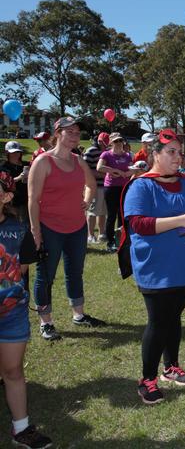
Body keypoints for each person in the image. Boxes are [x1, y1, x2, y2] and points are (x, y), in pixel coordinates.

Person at [122, 128, 185, 404]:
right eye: (171, 152)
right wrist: (179, 220)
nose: (178, 157)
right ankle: (146, 379)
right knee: (159, 321)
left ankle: (171, 366)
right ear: (155, 155)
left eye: (179, 151)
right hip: (156, 268)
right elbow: (138, 224)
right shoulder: (141, 185)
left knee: (172, 318)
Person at [28, 117, 102, 341]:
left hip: (77, 228)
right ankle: (46, 321)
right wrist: (35, 230)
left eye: (77, 133)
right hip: (49, 228)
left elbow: (91, 185)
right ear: (57, 133)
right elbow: (32, 200)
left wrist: (86, 201)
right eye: (70, 132)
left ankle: (78, 315)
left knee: (75, 272)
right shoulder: (42, 162)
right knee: (45, 276)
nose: (75, 136)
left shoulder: (78, 161)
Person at [0, 172, 53, 449]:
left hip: (11, 313)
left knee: (12, 370)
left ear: (6, 197)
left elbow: (21, 272)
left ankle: (21, 428)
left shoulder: (19, 230)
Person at [97, 132, 133, 251]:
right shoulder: (106, 154)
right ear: (111, 143)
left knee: (122, 215)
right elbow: (99, 167)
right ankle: (110, 242)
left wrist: (127, 173)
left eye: (120, 140)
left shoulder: (127, 155)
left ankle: (121, 240)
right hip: (111, 188)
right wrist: (114, 170)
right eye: (116, 141)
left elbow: (132, 169)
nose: (119, 143)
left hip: (124, 187)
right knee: (111, 215)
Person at [83, 132, 109, 243]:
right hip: (94, 186)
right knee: (92, 212)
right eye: (103, 143)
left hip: (105, 186)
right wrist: (105, 175)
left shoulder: (107, 152)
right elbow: (85, 170)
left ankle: (102, 233)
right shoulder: (91, 151)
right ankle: (90, 235)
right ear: (98, 141)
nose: (104, 146)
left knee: (102, 211)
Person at [1, 141, 29, 223]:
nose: (16, 154)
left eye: (18, 152)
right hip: (13, 203)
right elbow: (4, 184)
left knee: (28, 225)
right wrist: (19, 178)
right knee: (17, 224)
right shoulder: (4, 167)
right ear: (7, 153)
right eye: (13, 152)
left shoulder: (26, 165)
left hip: (28, 200)